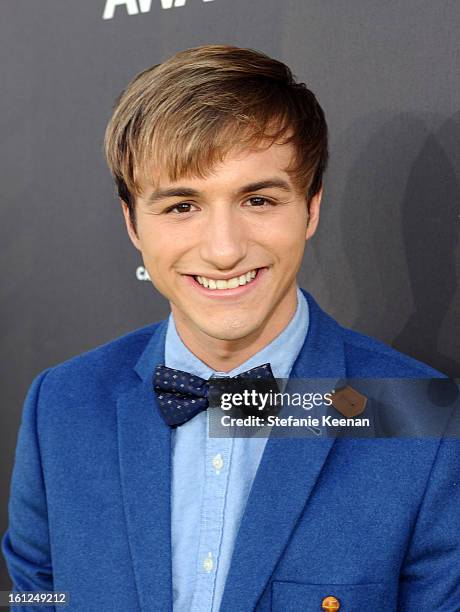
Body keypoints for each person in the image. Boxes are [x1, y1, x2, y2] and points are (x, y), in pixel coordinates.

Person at [2, 45, 459, 612]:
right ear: (132, 223)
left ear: (311, 208)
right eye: (181, 207)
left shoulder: (423, 420)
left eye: (259, 199)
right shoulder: (61, 406)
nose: (224, 250)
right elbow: (40, 599)